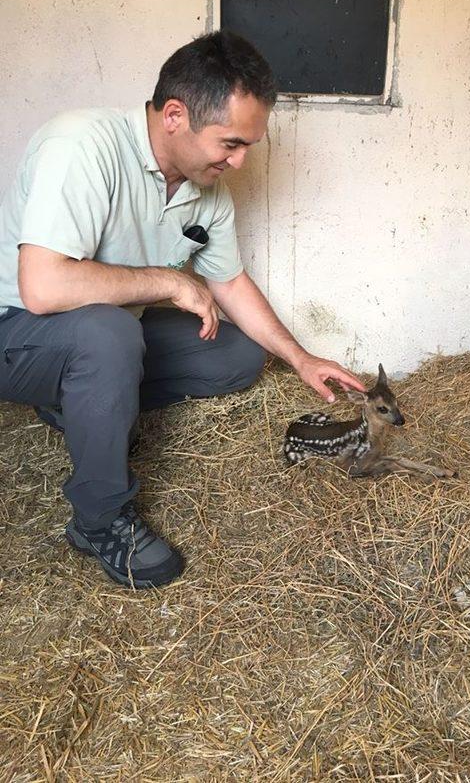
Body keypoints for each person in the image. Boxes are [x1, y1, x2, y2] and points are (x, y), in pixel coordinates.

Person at [0, 30, 365, 589]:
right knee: (107, 335)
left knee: (238, 355)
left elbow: (230, 282)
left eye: (248, 147)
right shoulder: (81, 146)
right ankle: (98, 519)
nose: (240, 162)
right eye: (231, 143)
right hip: (17, 333)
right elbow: (43, 288)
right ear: (175, 115)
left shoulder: (206, 187)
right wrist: (170, 281)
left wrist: (300, 357)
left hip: (97, 337)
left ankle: (80, 401)